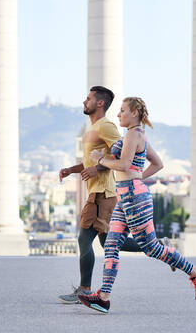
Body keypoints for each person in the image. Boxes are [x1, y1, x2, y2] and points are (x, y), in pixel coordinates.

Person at [78, 97, 196, 314]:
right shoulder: (138, 135)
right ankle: (103, 297)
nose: (118, 114)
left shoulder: (133, 134)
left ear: (135, 113)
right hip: (127, 197)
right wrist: (138, 176)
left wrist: (101, 160)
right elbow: (158, 164)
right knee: (111, 245)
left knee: (151, 248)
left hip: (133, 198)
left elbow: (122, 164)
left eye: (122, 111)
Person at [58, 86, 142, 305]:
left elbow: (123, 154)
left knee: (83, 239)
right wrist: (71, 170)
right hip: (99, 193)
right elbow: (91, 162)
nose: (84, 102)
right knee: (108, 243)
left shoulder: (106, 126)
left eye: (88, 98)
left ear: (100, 103)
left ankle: (84, 291)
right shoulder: (93, 128)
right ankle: (157, 245)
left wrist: (99, 169)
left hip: (103, 194)